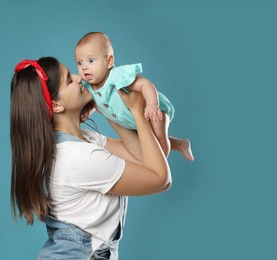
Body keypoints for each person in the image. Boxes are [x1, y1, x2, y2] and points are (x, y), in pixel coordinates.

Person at [10, 57, 171, 259]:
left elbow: (142, 156)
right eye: (69, 79)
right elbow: (160, 178)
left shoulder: (83, 140)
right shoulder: (77, 157)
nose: (79, 78)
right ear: (56, 105)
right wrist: (137, 112)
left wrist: (105, 104)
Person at [75, 32, 195, 161]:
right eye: (79, 63)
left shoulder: (117, 76)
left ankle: (161, 166)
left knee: (159, 139)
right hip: (133, 122)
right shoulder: (88, 88)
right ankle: (180, 144)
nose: (84, 67)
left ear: (109, 61)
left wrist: (152, 105)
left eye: (91, 60)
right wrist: (86, 111)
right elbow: (94, 103)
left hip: (151, 112)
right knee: (149, 144)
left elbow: (145, 84)